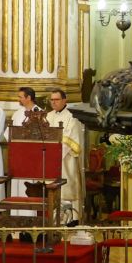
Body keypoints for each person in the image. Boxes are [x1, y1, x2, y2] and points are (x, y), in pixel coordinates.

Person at [44, 89, 86, 223]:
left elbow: (70, 139)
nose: (54, 102)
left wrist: (55, 154)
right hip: (51, 160)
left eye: (56, 99)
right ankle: (55, 218)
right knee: (53, 188)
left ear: (64, 100)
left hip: (67, 160)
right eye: (52, 100)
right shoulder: (48, 116)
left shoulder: (72, 116)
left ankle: (72, 218)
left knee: (68, 187)